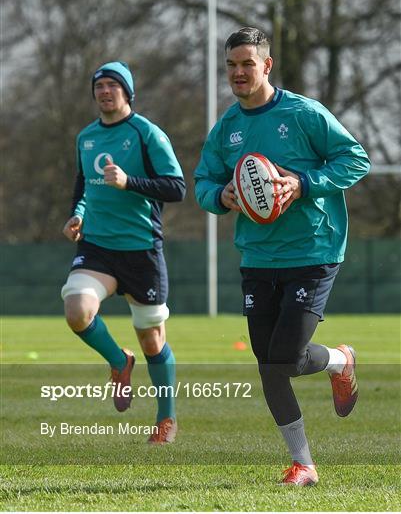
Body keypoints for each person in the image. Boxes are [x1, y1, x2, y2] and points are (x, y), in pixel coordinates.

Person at [194, 27, 370, 484]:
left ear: (266, 66)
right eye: (231, 65)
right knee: (269, 365)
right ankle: (304, 464)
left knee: (286, 357)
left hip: (313, 250)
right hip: (257, 257)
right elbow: (202, 184)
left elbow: (355, 159)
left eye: (247, 64)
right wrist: (223, 195)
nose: (238, 72)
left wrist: (304, 183)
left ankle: (338, 360)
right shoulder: (227, 128)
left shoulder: (303, 113)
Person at [62, 61, 185, 444]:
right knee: (77, 310)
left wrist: (129, 182)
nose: (105, 91)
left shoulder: (146, 133)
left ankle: (166, 419)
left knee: (152, 340)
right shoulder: (86, 138)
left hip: (141, 251)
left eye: (113, 85)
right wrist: (76, 216)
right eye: (99, 85)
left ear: (127, 92)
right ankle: (119, 361)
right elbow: (83, 188)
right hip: (97, 246)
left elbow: (176, 187)